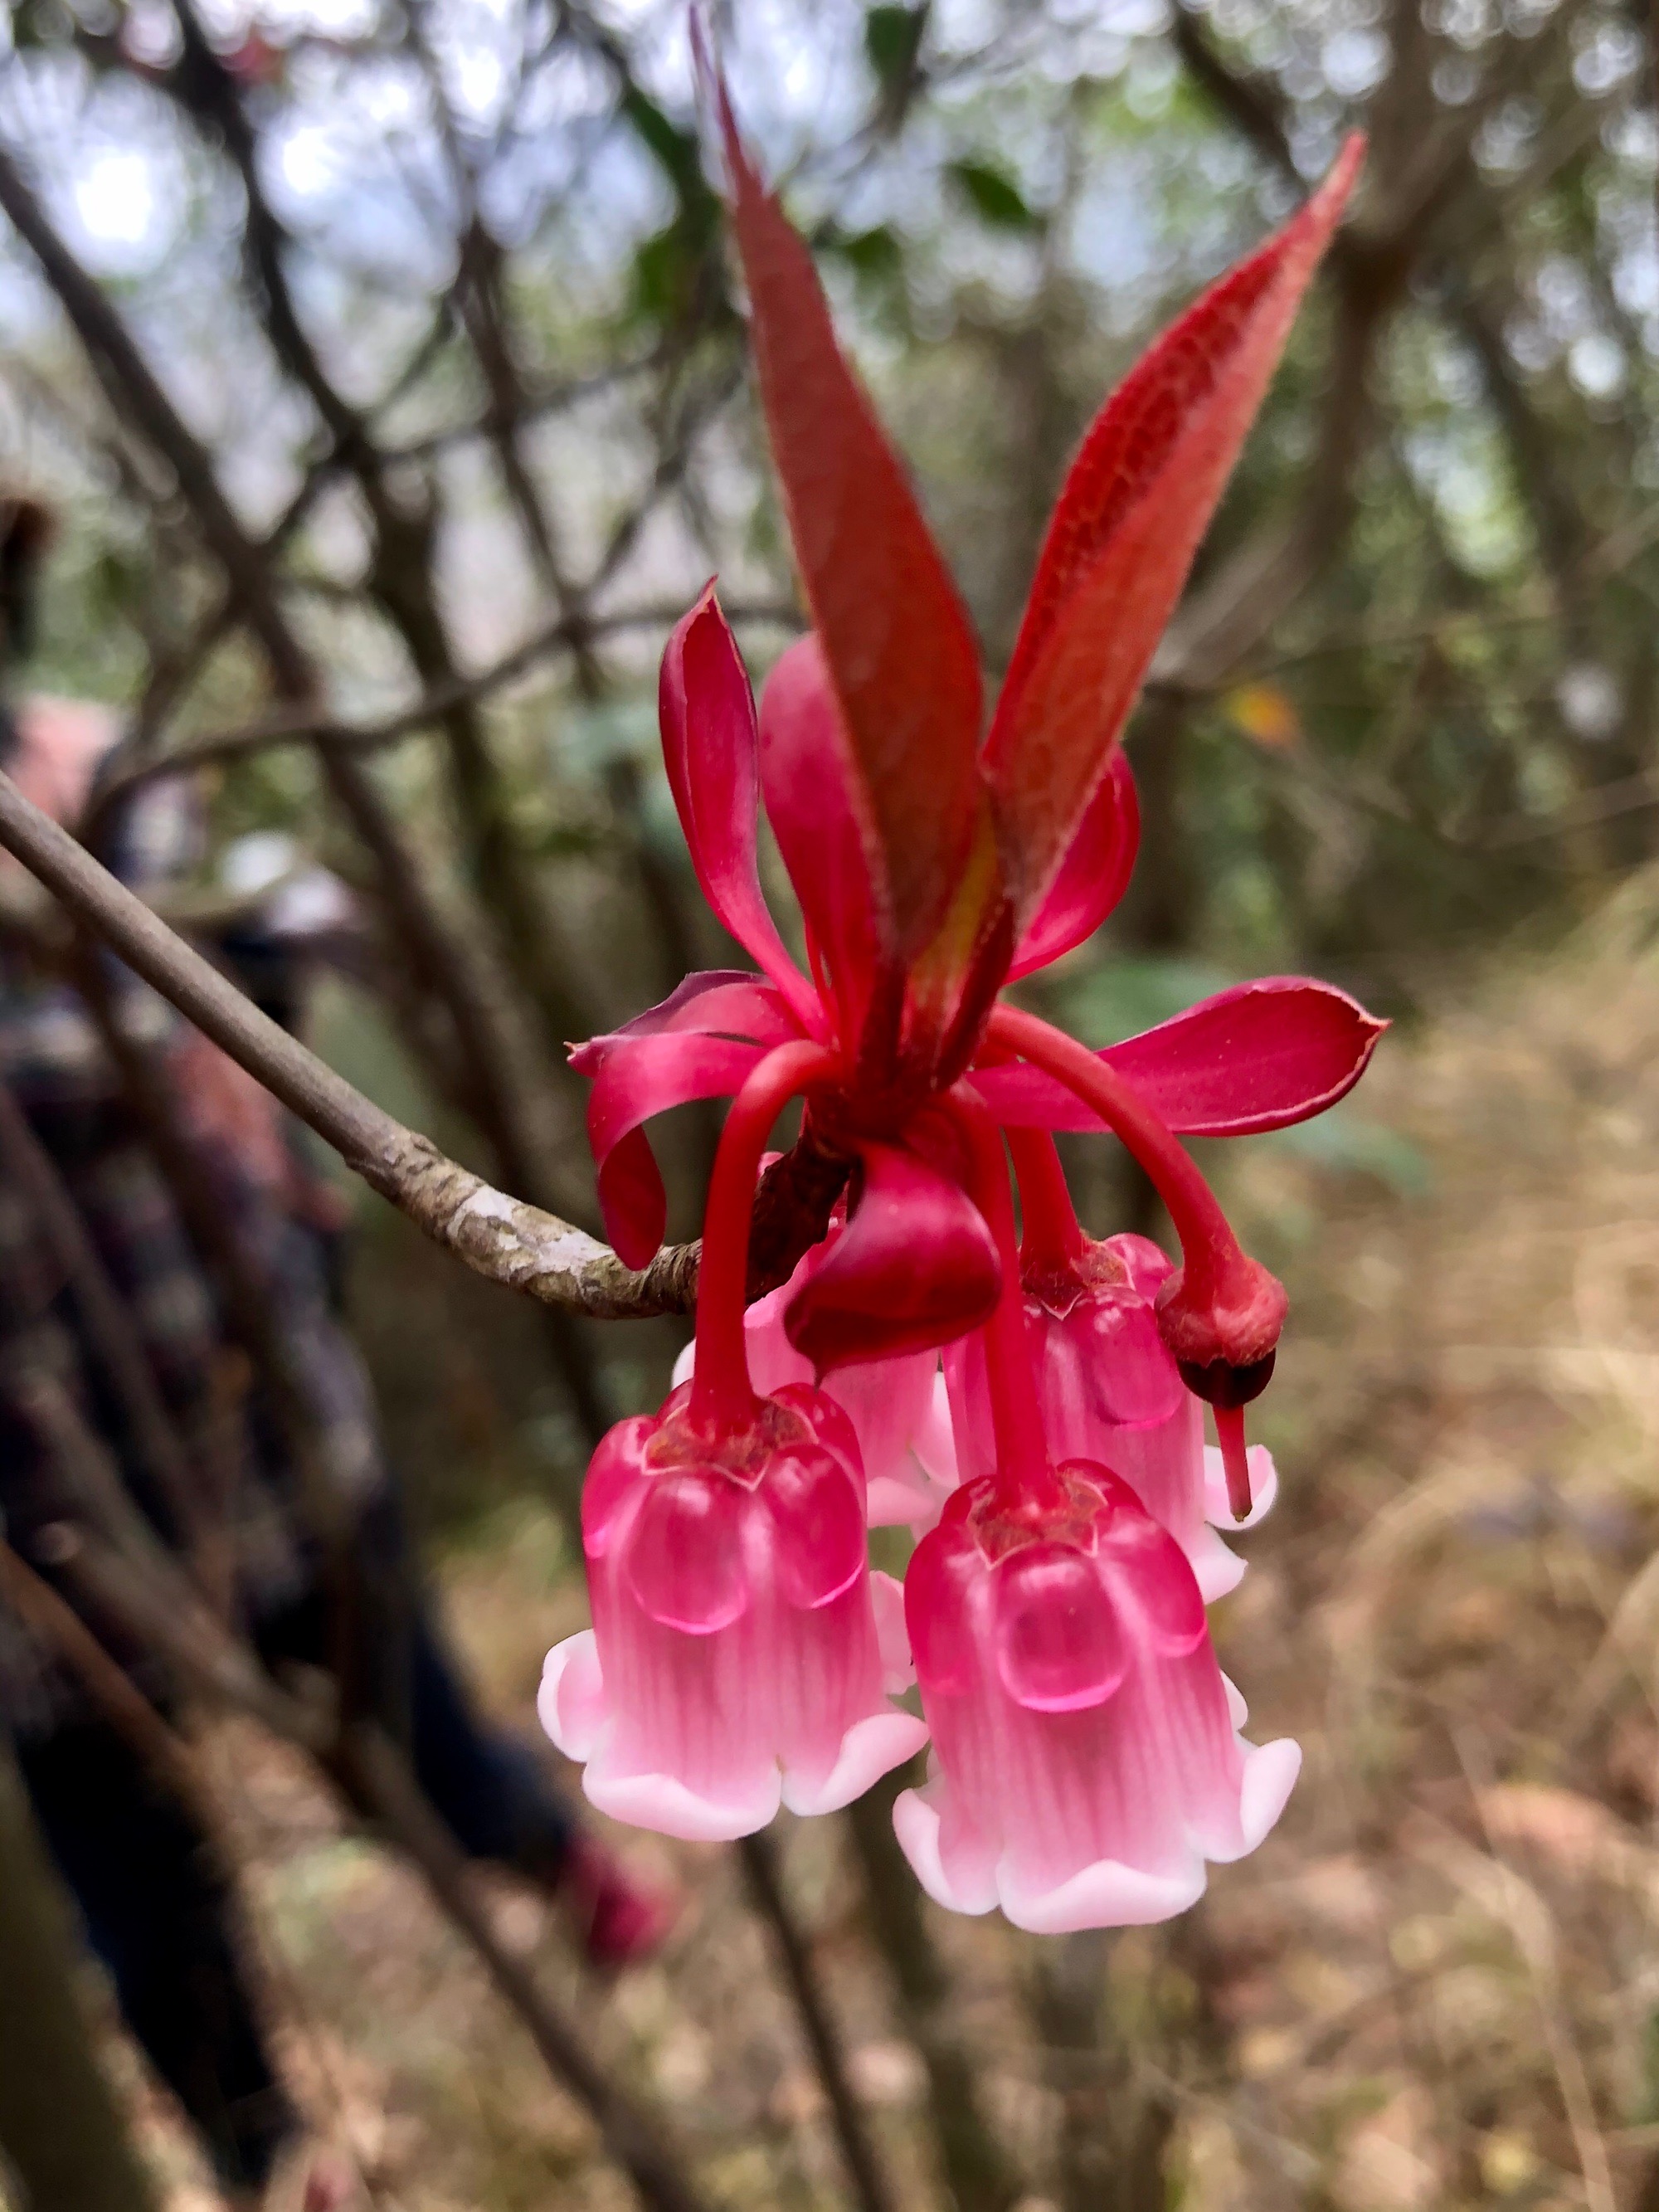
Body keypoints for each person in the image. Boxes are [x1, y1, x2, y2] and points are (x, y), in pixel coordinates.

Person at [0, 493, 674, 2211]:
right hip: (49, 1533)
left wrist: (228, 960)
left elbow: (252, 965)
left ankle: (553, 1862)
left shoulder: (114, 781)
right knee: (140, 1891)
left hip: (263, 1404)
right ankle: (266, 2152)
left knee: (422, 1735)